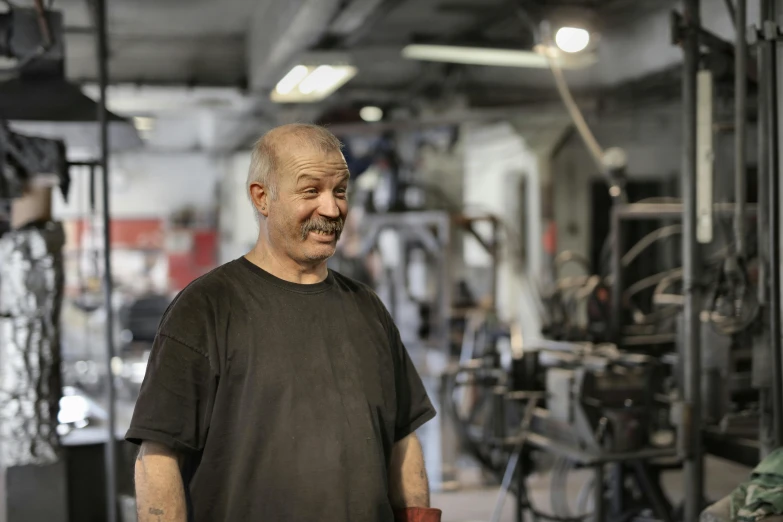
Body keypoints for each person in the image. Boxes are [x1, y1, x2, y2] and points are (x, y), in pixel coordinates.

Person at [127, 123, 442, 522]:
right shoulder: (205, 309)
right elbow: (157, 459)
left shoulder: (367, 309)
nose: (331, 209)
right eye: (311, 191)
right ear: (262, 198)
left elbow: (403, 438)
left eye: (340, 191)